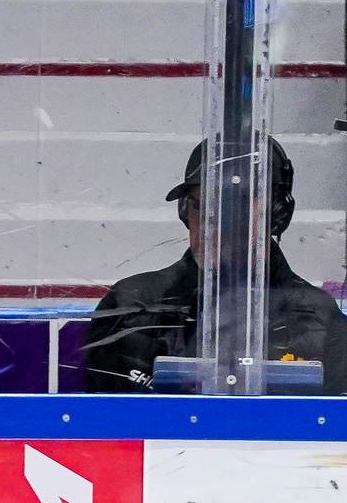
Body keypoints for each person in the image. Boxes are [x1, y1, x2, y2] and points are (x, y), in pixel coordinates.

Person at [85, 136, 347, 392]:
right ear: (184, 210)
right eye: (203, 207)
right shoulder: (131, 305)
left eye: (238, 210)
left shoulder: (319, 318)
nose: (217, 224)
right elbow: (100, 415)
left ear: (277, 216)